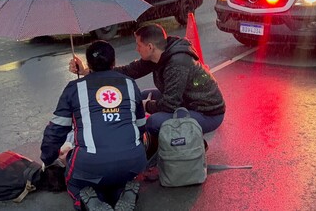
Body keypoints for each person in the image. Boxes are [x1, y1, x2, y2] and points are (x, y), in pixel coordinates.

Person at [70, 23, 226, 147]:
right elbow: (128, 71)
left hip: (207, 113)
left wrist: (146, 106)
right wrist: (87, 72)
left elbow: (170, 105)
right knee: (142, 95)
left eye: (139, 45)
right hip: (187, 102)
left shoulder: (177, 63)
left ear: (150, 46)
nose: (136, 49)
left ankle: (174, 150)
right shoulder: (160, 54)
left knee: (154, 121)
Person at [43, 40, 147, 211]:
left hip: (90, 164)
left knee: (74, 181)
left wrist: (47, 158)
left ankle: (89, 200)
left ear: (88, 64)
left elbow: (56, 130)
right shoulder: (129, 83)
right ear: (114, 62)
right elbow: (141, 125)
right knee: (117, 174)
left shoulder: (74, 88)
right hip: (133, 160)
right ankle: (124, 191)